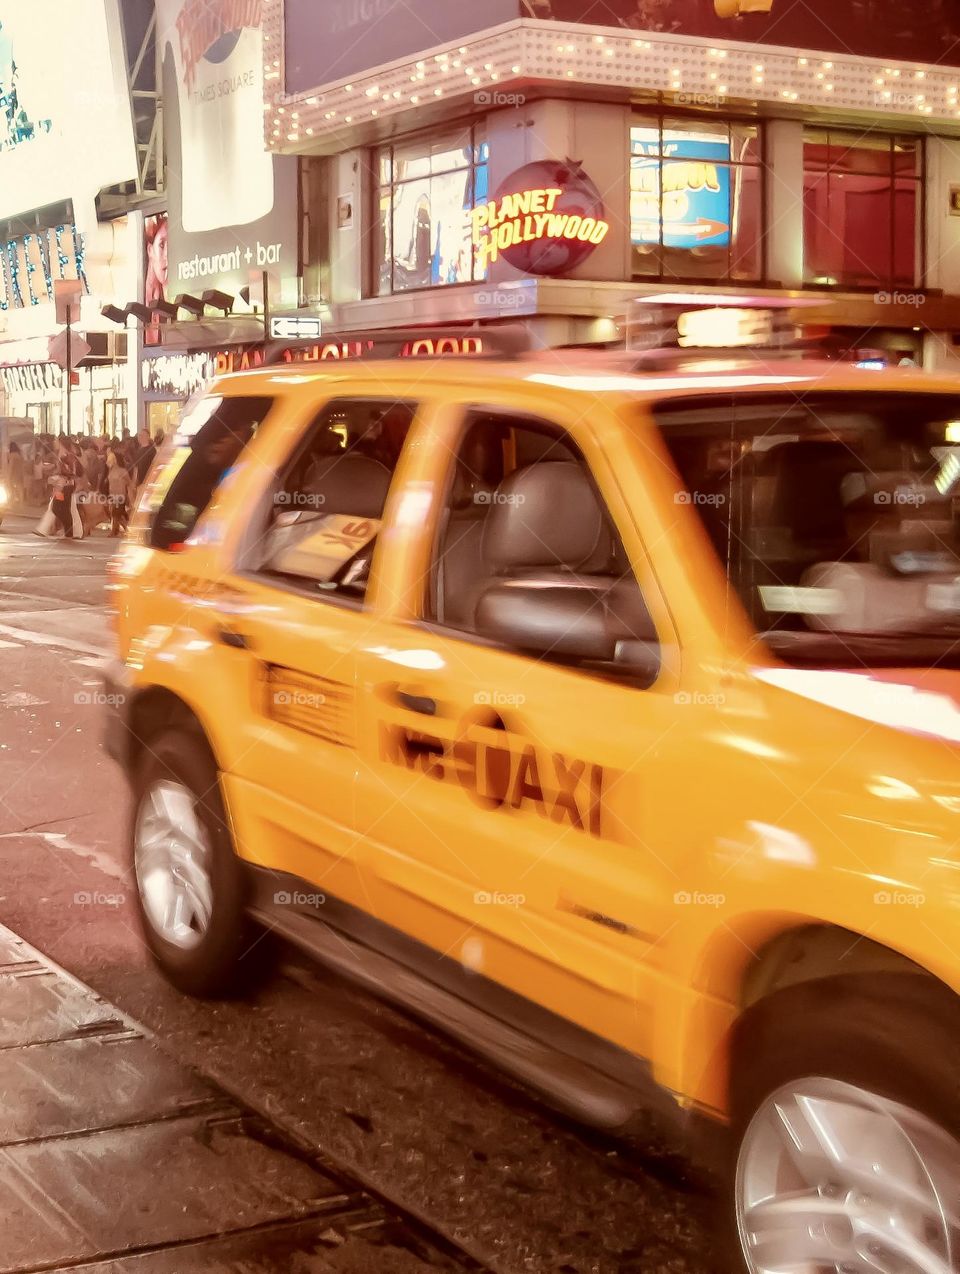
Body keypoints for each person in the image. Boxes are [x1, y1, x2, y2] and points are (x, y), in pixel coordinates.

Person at [106, 448, 133, 537]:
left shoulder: (122, 471)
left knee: (116, 514)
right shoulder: (111, 470)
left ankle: (122, 530)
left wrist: (130, 496)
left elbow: (129, 483)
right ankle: (116, 530)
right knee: (115, 514)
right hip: (113, 495)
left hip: (120, 495)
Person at [7, 441, 24, 507]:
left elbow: (11, 466)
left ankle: (11, 503)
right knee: (20, 488)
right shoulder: (19, 455)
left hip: (14, 474)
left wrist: (8, 476)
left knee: (10, 488)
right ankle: (21, 503)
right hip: (20, 473)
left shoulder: (12, 455)